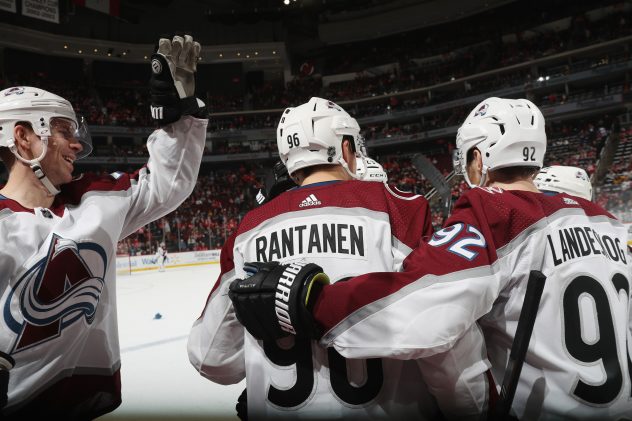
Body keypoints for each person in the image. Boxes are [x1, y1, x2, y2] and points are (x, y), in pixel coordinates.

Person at [229, 97, 632, 419]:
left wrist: (312, 300)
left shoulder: (494, 212)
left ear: (478, 159)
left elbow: (426, 306)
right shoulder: (610, 223)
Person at [188, 97, 489, 420]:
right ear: (345, 149)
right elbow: (440, 336)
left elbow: (211, 359)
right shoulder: (401, 210)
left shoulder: (249, 229)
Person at [0, 34, 207, 418]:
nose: (77, 144)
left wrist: (178, 116)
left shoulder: (96, 200)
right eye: (63, 130)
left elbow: (167, 184)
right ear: (23, 137)